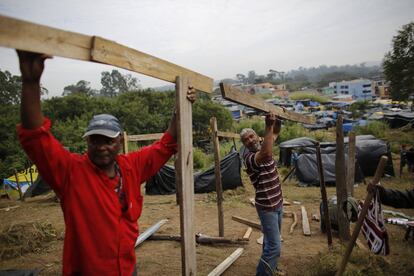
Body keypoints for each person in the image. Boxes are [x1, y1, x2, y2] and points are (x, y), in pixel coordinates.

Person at [16, 50, 196, 276]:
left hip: (127, 269)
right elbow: (35, 137)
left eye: (108, 140)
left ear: (120, 140)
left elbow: (166, 144)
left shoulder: (131, 167)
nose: (102, 147)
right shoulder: (71, 173)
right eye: (95, 140)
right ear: (87, 141)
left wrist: (181, 105)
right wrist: (30, 83)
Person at [240, 114, 284, 276]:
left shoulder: (266, 144)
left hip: (278, 202)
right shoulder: (249, 158)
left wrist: (278, 117)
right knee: (274, 245)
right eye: (245, 140)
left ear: (257, 137)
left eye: (251, 136)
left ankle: (271, 268)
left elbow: (275, 132)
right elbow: (265, 154)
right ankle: (263, 273)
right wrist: (268, 125)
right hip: (267, 207)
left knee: (270, 240)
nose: (250, 140)